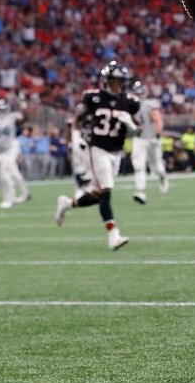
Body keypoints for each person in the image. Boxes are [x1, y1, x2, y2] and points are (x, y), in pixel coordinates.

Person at [54, 60, 140, 251]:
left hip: (116, 152)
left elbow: (138, 130)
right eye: (113, 80)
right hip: (97, 149)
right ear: (105, 81)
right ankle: (113, 234)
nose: (116, 84)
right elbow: (78, 118)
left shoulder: (129, 102)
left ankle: (68, 203)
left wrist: (132, 127)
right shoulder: (93, 98)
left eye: (119, 81)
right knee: (107, 189)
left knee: (98, 194)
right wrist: (74, 136)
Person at [130, 80, 169, 204]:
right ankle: (140, 192)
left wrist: (157, 134)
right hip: (139, 138)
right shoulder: (130, 106)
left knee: (156, 166)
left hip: (151, 138)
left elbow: (158, 120)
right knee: (138, 165)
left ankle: (163, 176)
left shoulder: (150, 105)